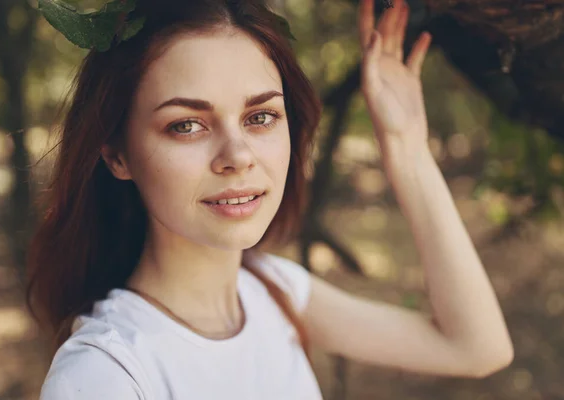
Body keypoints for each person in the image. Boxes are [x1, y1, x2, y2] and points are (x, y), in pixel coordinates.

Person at [28, 0, 514, 398]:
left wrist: (406, 147)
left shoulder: (272, 291)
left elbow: (477, 347)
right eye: (187, 125)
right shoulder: (106, 375)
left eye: (260, 117)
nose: (237, 157)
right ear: (117, 156)